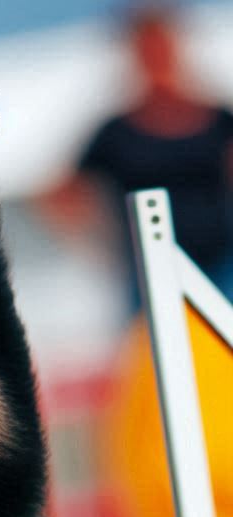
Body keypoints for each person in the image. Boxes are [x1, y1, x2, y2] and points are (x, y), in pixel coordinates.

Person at [40, 6, 233, 307]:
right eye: (148, 51)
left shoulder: (217, 118)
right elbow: (61, 193)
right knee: (154, 352)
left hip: (222, 267)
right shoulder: (115, 132)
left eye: (162, 48)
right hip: (149, 276)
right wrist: (100, 247)